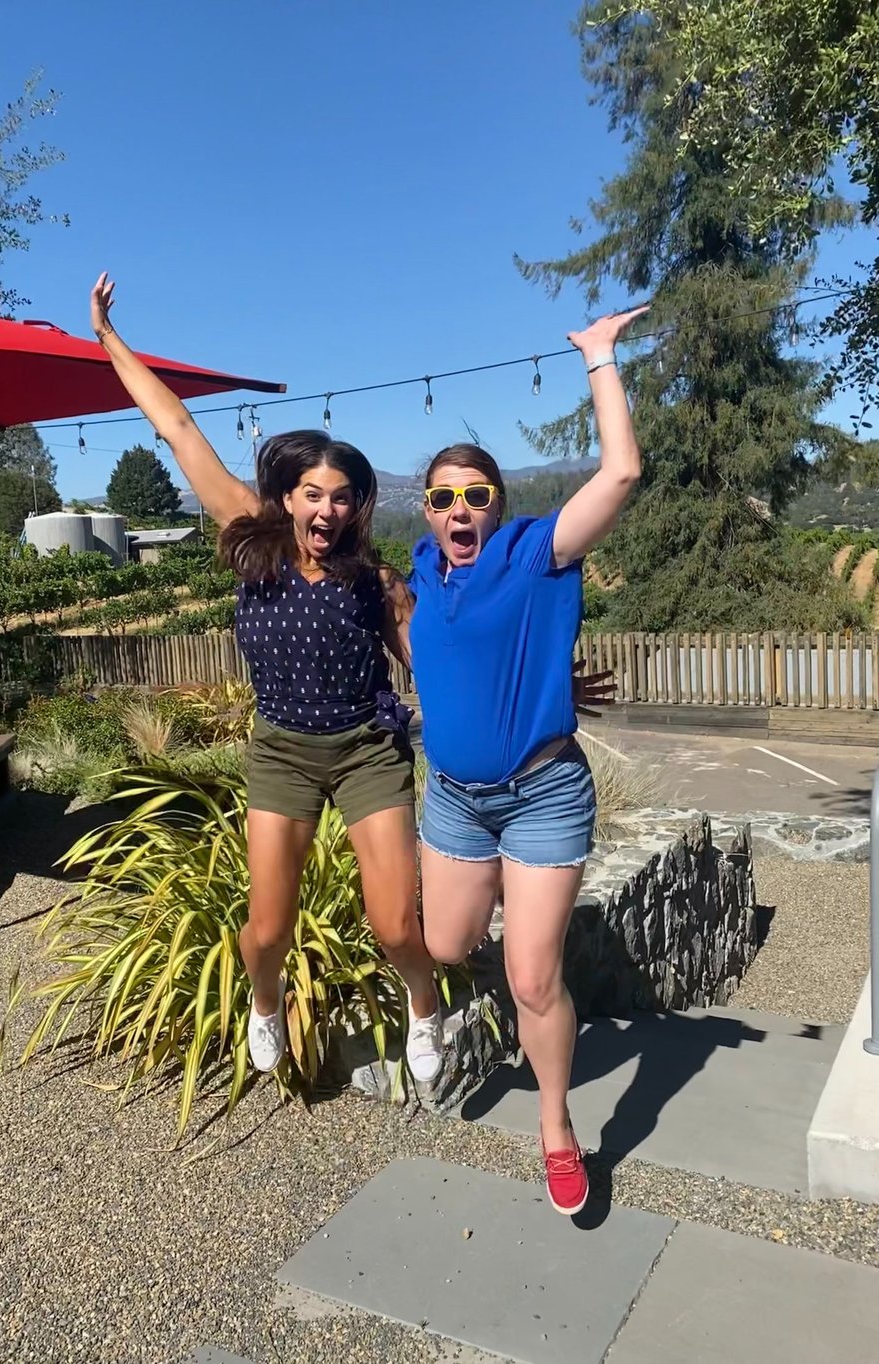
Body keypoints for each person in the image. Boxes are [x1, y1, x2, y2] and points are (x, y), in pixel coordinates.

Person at [88, 273, 445, 1084]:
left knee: (396, 925)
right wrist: (109, 339)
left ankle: (424, 1003)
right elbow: (178, 428)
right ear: (287, 497)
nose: (328, 510)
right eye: (313, 494)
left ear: (356, 508)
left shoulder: (378, 584)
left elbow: (442, 667)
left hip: (367, 751)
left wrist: (541, 690)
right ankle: (264, 1000)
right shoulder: (255, 541)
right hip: (282, 750)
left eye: (343, 498)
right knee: (268, 930)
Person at [406, 307, 648, 1215]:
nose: (459, 510)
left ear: (497, 504)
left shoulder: (532, 554)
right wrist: (546, 679)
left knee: (532, 977)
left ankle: (556, 1126)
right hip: (454, 801)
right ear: (426, 513)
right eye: (443, 499)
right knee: (444, 944)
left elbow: (620, 473)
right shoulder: (422, 574)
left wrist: (601, 357)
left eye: (475, 495)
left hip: (542, 796)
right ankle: (506, 925)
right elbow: (441, 656)